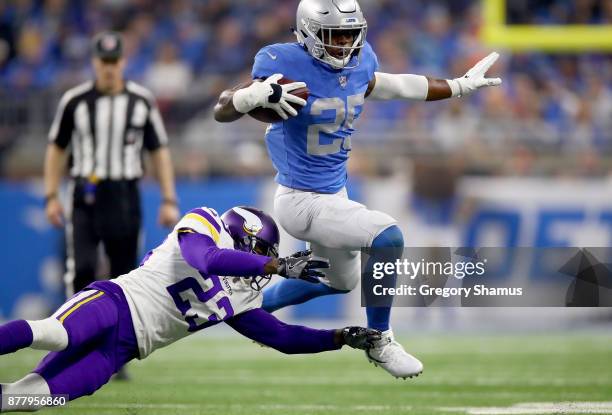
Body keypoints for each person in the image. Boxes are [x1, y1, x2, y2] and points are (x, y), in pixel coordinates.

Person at [213, 0, 502, 379]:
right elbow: (222, 109)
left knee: (339, 280)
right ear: (307, 34)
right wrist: (247, 97)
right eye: (335, 36)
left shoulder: (361, 60)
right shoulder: (281, 62)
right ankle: (380, 337)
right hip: (300, 198)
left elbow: (394, 84)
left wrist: (457, 86)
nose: (345, 43)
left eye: (351, 34)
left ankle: (245, 308)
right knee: (387, 236)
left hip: (334, 195)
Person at [0, 205, 381, 412]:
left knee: (32, 398)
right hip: (116, 303)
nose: (266, 261)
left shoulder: (243, 297)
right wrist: (276, 266)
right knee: (55, 333)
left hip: (124, 350)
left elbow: (281, 337)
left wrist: (339, 337)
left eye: (269, 256)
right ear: (243, 237)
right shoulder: (205, 222)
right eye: (262, 251)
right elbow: (207, 258)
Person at [43, 31, 180, 298]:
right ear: (95, 62)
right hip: (85, 193)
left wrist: (168, 199)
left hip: (124, 194)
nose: (109, 68)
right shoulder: (75, 101)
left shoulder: (141, 101)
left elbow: (158, 151)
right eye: (104, 61)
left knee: (125, 273)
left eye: (114, 61)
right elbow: (56, 148)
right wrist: (51, 195)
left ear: (123, 62)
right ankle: (78, 332)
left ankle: (119, 333)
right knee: (82, 268)